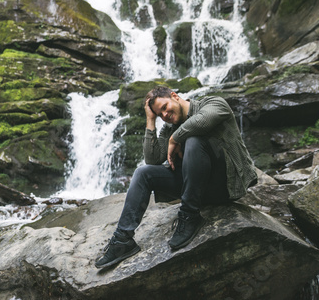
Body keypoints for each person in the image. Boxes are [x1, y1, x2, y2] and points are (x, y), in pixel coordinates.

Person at [95, 86, 257, 269]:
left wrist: (175, 139)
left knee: (194, 140)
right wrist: (150, 120)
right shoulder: (168, 128)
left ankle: (189, 216)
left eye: (164, 107)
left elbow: (203, 121)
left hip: (224, 184)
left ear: (174, 96)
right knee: (143, 173)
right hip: (195, 189)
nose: (164, 115)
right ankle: (122, 240)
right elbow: (153, 159)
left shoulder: (213, 103)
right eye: (159, 114)